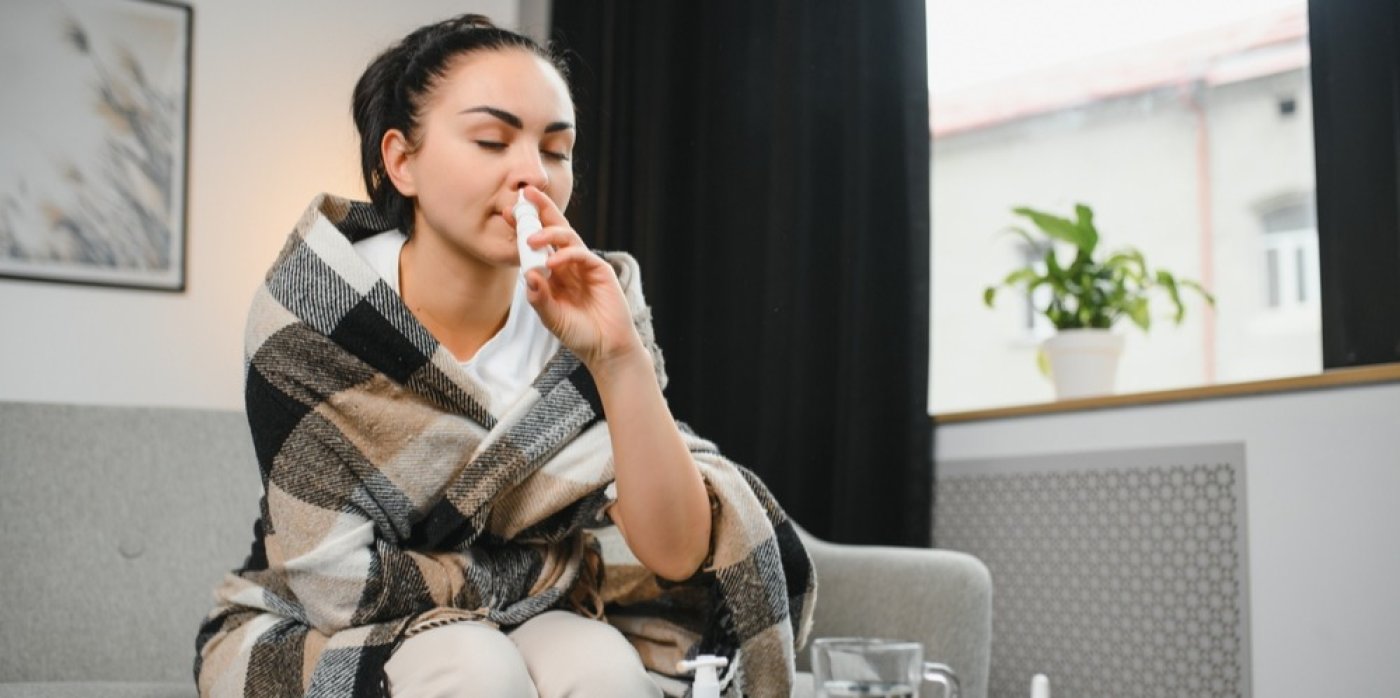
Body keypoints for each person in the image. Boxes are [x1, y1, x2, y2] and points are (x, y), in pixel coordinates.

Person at [193, 14, 815, 698]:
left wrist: (617, 357)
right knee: (474, 665)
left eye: (556, 150)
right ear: (402, 161)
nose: (532, 175)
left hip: (529, 611)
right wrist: (547, 574)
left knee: (602, 668)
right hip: (328, 623)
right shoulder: (309, 318)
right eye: (492, 141)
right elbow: (339, 589)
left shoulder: (599, 299)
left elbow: (676, 553)